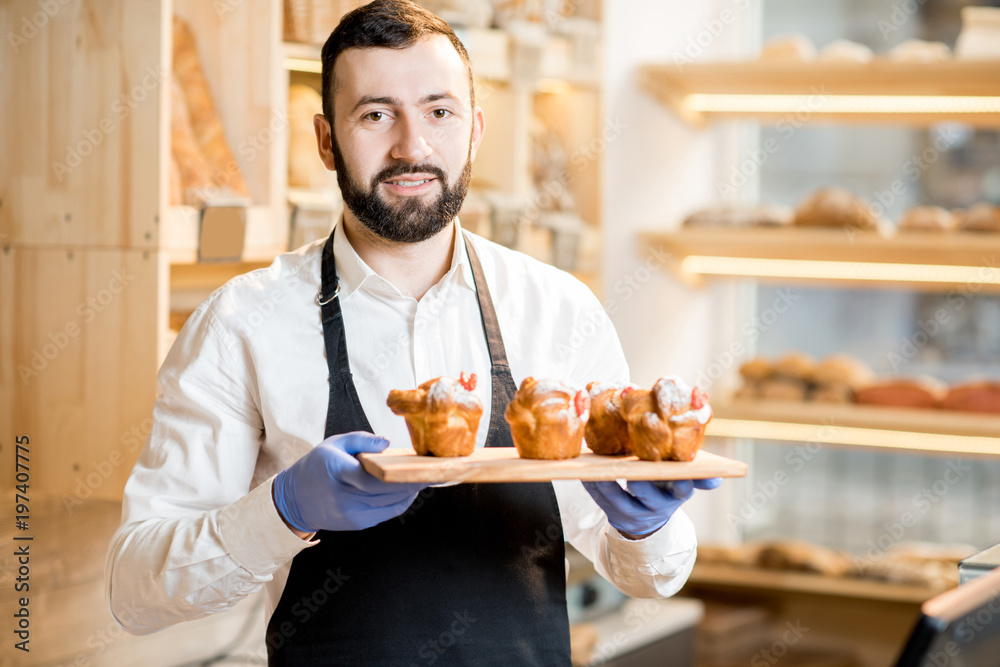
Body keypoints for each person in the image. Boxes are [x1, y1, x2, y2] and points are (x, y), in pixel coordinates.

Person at [106, 1, 720, 664]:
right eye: (376, 114)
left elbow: (648, 572)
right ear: (324, 139)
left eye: (439, 111)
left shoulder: (557, 308)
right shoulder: (242, 322)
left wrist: (647, 524)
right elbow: (137, 589)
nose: (412, 147)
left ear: (476, 129)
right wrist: (281, 510)